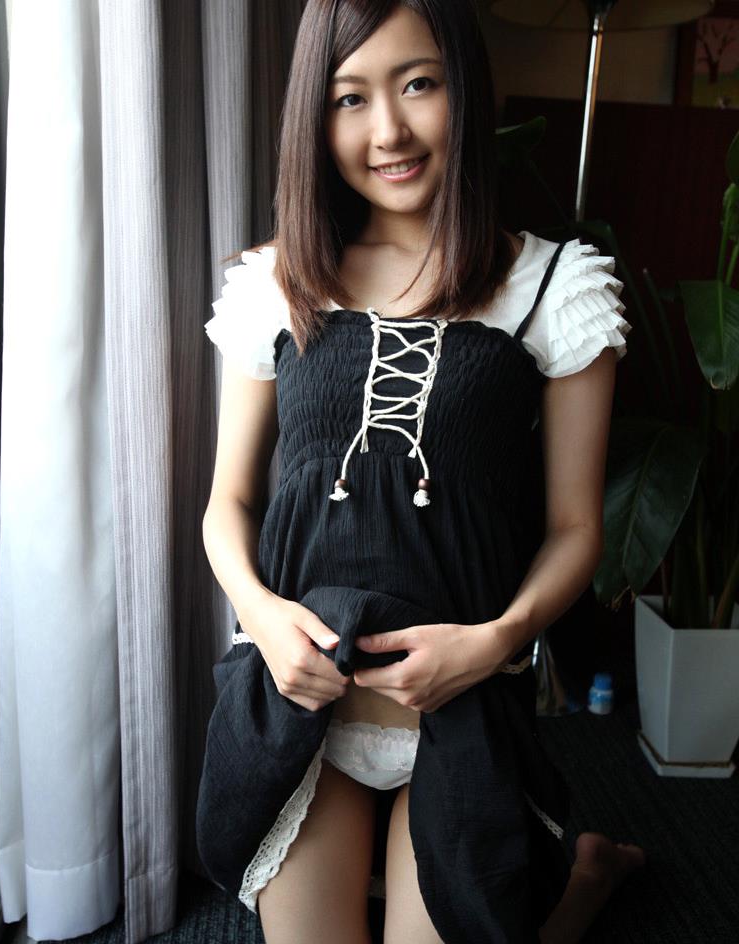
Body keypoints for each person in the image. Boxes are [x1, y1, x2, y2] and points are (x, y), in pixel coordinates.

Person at [196, 1, 646, 942]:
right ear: (315, 120)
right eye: (349, 98)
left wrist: (496, 641)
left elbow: (576, 528)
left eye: (418, 84)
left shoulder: (554, 289)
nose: (388, 131)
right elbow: (227, 503)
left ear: (464, 88)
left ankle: (584, 878)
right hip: (304, 711)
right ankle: (584, 874)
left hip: (463, 709)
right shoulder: (275, 283)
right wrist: (263, 619)